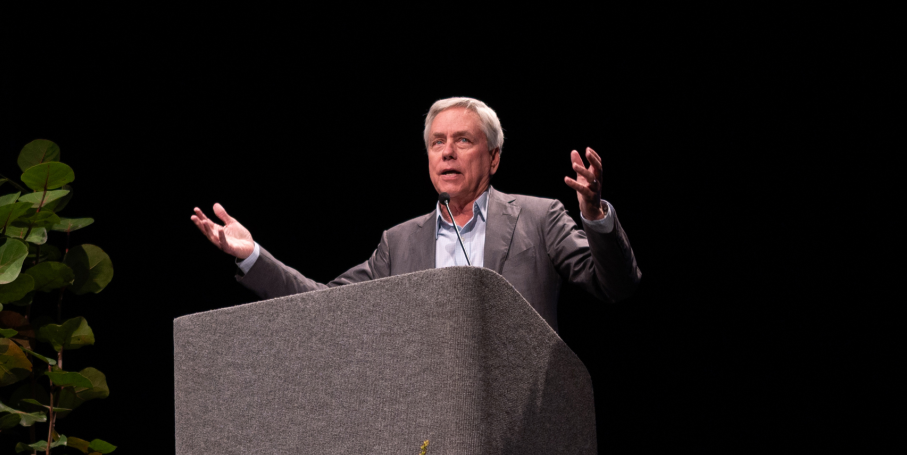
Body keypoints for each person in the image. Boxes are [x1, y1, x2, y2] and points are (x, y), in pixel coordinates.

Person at [189, 96, 640, 331]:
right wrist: (253, 256)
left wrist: (596, 213)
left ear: (494, 157)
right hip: (428, 416)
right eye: (436, 143)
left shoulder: (540, 219)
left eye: (463, 141)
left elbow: (615, 285)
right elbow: (325, 304)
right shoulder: (399, 243)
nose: (447, 152)